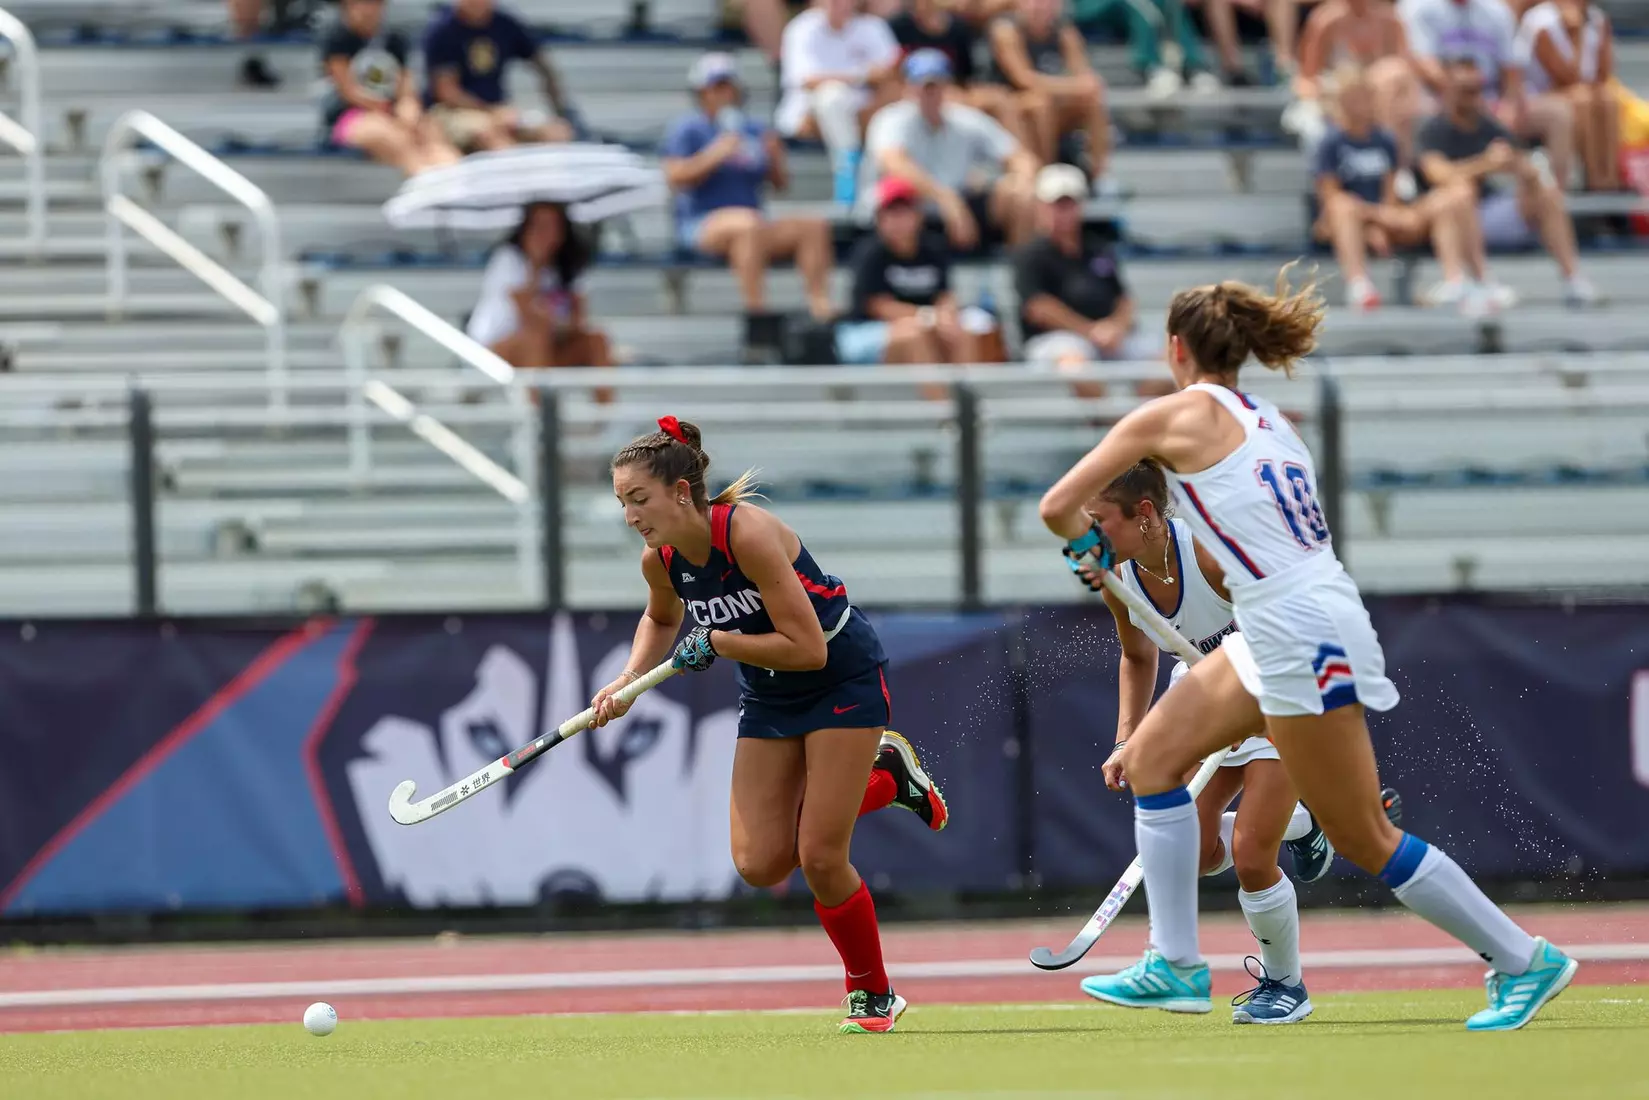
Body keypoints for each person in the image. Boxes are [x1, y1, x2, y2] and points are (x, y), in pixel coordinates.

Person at [1037, 266, 1579, 1032]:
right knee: (1154, 760)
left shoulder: (1174, 415)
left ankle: (1524, 959)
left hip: (1296, 624)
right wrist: (1097, 547)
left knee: (1361, 833)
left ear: (1176, 348)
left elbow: (1056, 506)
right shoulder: (1269, 417)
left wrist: (1083, 544)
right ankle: (1177, 964)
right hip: (1282, 618)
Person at [593, 417, 951, 1034]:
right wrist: (629, 680)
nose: (630, 515)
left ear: (681, 491)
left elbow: (808, 648)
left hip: (840, 681)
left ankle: (872, 992)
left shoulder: (748, 535)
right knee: (760, 864)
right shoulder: (662, 560)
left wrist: (721, 642)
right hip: (768, 696)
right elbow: (659, 619)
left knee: (819, 856)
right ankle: (888, 778)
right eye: (623, 501)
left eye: (639, 498)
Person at [1078, 461, 1406, 1024]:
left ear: (1147, 515)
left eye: (1101, 521)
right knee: (1196, 855)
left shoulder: (1210, 554)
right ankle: (1307, 823)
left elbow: (1297, 626)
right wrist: (1126, 738)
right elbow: (1138, 654)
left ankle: (1286, 984)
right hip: (1207, 688)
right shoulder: (1116, 570)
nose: (1091, 538)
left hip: (1282, 682)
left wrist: (1274, 713)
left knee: (1255, 855)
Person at [661, 52, 837, 323]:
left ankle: (819, 305)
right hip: (701, 223)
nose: (724, 94)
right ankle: (758, 314)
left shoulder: (754, 129)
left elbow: (780, 186)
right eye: (716, 87)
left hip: (753, 220)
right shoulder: (688, 129)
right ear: (701, 92)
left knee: (812, 226)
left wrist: (776, 157)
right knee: (747, 224)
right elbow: (674, 177)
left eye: (729, 86)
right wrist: (716, 153)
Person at [1416, 56, 1595, 307]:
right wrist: (1486, 164)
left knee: (1547, 194)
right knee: (1460, 192)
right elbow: (1437, 174)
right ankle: (1463, 281)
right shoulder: (1432, 129)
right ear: (1448, 89)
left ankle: (1573, 280)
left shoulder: (1489, 125)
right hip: (1445, 220)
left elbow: (1525, 164)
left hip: (1487, 214)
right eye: (1465, 90)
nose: (1472, 96)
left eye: (1476, 90)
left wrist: (1522, 170)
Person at [1313, 64, 1483, 312]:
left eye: (1364, 96)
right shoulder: (1330, 142)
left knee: (1448, 200)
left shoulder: (1385, 140)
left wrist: (1385, 220)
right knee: (1343, 207)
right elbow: (1330, 196)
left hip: (1383, 215)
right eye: (1353, 97)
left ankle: (1456, 280)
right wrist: (1371, 224)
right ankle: (1359, 285)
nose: (1360, 104)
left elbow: (1389, 193)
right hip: (1350, 219)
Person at [862, 49, 1041, 250]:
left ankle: (1022, 268)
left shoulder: (965, 119)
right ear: (908, 87)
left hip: (959, 206)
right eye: (923, 87)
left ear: (948, 87)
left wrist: (1022, 179)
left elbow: (1020, 157)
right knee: (902, 209)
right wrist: (945, 198)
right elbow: (894, 163)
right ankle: (905, 273)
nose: (930, 94)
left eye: (936, 86)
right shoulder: (892, 119)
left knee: (1022, 194)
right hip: (907, 207)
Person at [1398, 0, 1575, 191]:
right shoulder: (1417, 7)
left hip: (1491, 99)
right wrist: (1467, 93)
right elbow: (1424, 65)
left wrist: (1510, 105)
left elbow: (1511, 71)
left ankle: (1557, 193)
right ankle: (1403, 179)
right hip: (1438, 98)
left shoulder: (1497, 11)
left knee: (1558, 112)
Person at [1013, 163, 1162, 386]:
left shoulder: (1098, 249)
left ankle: (1138, 417)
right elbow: (1039, 308)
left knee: (1165, 361)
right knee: (1076, 363)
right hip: (1056, 338)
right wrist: (1089, 331)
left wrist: (1116, 328)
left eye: (1069, 204)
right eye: (1056, 205)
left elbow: (1124, 299)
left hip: (1108, 335)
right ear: (1041, 207)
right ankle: (1106, 419)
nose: (1063, 212)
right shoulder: (1029, 255)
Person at [837, 175, 1004, 370]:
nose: (898, 221)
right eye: (891, 213)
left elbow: (944, 294)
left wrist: (946, 315)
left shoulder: (933, 249)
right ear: (880, 219)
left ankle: (967, 393)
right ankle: (939, 400)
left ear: (918, 215)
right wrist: (928, 317)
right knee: (916, 335)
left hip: (924, 324)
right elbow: (877, 306)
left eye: (904, 212)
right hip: (868, 330)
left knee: (963, 334)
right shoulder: (870, 253)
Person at [774, 0, 904, 205]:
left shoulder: (872, 26)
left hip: (862, 110)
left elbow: (892, 70)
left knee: (896, 96)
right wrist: (862, 75)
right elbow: (807, 80)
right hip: (808, 112)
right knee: (831, 96)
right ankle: (848, 174)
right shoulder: (801, 28)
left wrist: (874, 77)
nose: (839, 3)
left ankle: (872, 179)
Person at [465, 203, 612, 374]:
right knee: (535, 339)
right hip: (492, 350)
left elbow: (578, 320)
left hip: (550, 345)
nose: (545, 233)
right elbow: (529, 319)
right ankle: (538, 400)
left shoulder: (568, 265)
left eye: (552, 225)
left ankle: (607, 400)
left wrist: (561, 326)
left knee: (596, 341)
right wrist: (535, 265)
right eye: (539, 225)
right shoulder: (508, 259)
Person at [320, 0, 462, 176]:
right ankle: (423, 179)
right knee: (392, 136)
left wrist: (408, 107)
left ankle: (454, 178)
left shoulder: (394, 40)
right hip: (350, 116)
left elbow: (405, 85)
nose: (368, 10)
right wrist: (387, 110)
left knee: (429, 132)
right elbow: (348, 92)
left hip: (391, 112)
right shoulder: (337, 39)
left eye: (374, 4)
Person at [422, 0, 574, 154]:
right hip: (452, 112)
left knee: (556, 133)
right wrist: (493, 112)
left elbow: (542, 65)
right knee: (492, 136)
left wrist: (560, 109)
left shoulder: (504, 24)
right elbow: (448, 93)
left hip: (498, 108)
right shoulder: (443, 31)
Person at [987, 0, 1113, 185]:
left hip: (1051, 98)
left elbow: (1083, 74)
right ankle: (1047, 172)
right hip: (1012, 104)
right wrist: (1074, 86)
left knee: (1092, 99)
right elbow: (1023, 79)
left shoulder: (1064, 32)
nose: (1040, 6)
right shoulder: (1006, 30)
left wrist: (1085, 86)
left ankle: (1099, 173)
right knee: (1039, 103)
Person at [889, 0, 1037, 152]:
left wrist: (952, 91)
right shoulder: (899, 26)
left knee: (1003, 99)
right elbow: (892, 73)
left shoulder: (959, 28)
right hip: (913, 92)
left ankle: (1022, 159)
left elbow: (965, 76)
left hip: (953, 90)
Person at [1292, 0, 1420, 163]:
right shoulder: (1326, 20)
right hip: (1338, 92)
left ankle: (1395, 162)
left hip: (1380, 96)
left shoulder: (1391, 20)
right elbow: (1307, 76)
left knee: (1396, 78)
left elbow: (1406, 66)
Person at [1517, 0, 1620, 191]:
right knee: (1582, 99)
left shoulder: (1597, 18)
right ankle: (1593, 179)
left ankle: (1610, 179)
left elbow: (1604, 73)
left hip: (1583, 89)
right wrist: (1576, 35)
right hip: (1542, 94)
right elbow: (1564, 77)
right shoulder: (1540, 21)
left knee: (1608, 99)